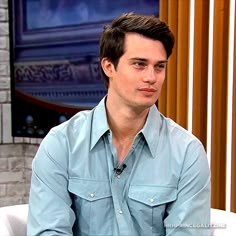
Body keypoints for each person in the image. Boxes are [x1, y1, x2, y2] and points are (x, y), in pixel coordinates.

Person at [27, 13, 211, 235]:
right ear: (108, 66)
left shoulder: (187, 153)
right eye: (139, 64)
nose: (151, 77)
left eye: (159, 66)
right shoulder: (61, 144)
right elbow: (49, 231)